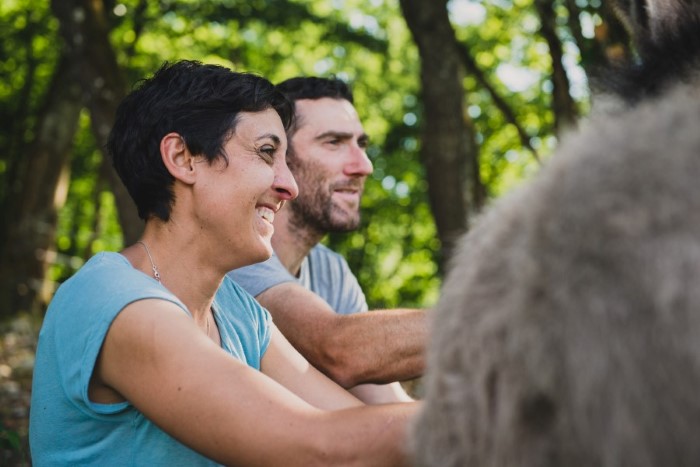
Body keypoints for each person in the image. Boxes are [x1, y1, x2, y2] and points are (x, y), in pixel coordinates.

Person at [29, 60, 416, 466]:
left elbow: (351, 425)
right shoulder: (113, 300)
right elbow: (319, 448)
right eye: (267, 152)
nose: (290, 186)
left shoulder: (239, 312)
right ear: (183, 157)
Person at [229, 77, 426, 403]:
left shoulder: (330, 270)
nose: (364, 165)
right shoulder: (236, 255)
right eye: (334, 142)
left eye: (361, 144)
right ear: (279, 156)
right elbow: (341, 349)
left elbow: (389, 405)